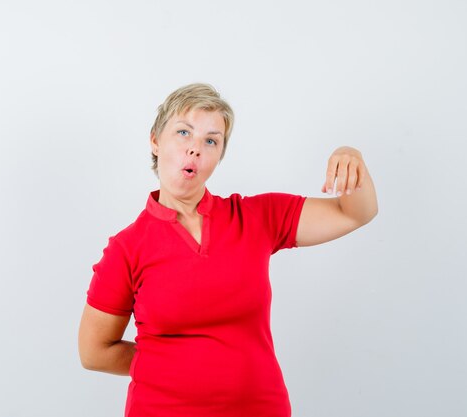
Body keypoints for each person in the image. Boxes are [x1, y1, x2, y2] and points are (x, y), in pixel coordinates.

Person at [78, 83, 378, 417]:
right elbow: (94, 352)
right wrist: (170, 366)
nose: (195, 149)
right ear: (155, 141)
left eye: (211, 140)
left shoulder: (256, 217)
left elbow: (354, 213)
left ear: (219, 155)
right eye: (183, 133)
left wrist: (354, 158)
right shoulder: (126, 248)